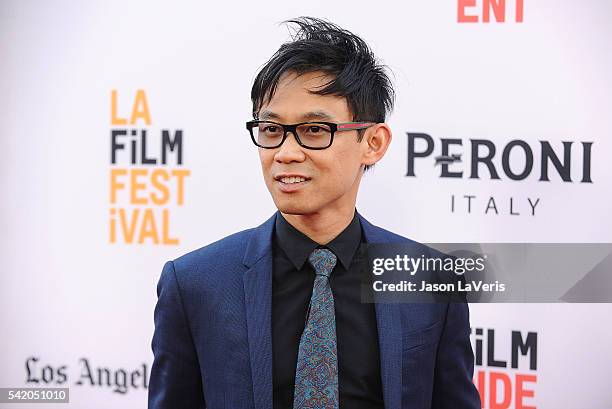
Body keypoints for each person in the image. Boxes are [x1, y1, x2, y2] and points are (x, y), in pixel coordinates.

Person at [149, 17, 481, 409]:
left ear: (372, 142)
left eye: (314, 130)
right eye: (271, 130)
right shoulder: (195, 284)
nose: (286, 153)